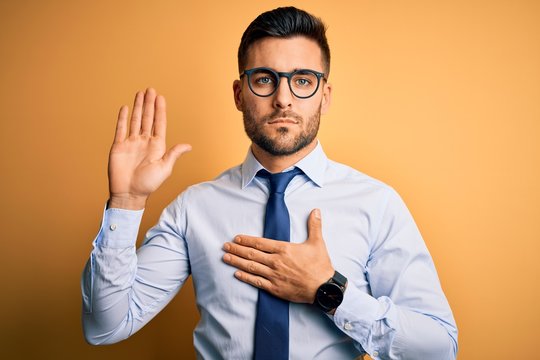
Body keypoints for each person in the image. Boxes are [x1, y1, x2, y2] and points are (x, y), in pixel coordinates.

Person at [82, 6, 458, 360]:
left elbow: (439, 347)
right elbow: (105, 325)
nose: (283, 99)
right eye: (264, 79)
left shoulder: (376, 204)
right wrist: (127, 200)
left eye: (302, 81)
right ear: (239, 94)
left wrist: (329, 291)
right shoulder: (193, 208)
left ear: (324, 97)